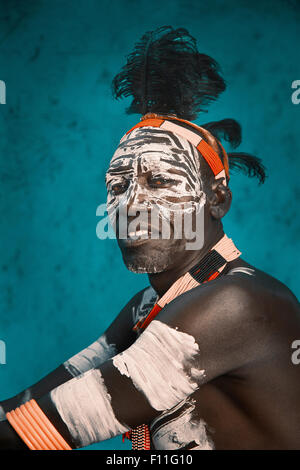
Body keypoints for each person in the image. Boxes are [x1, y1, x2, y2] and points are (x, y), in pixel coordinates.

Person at [0, 26, 299, 451]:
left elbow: (36, 433)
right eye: (118, 184)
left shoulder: (236, 302)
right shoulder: (148, 307)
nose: (131, 204)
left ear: (218, 200)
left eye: (158, 179)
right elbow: (28, 406)